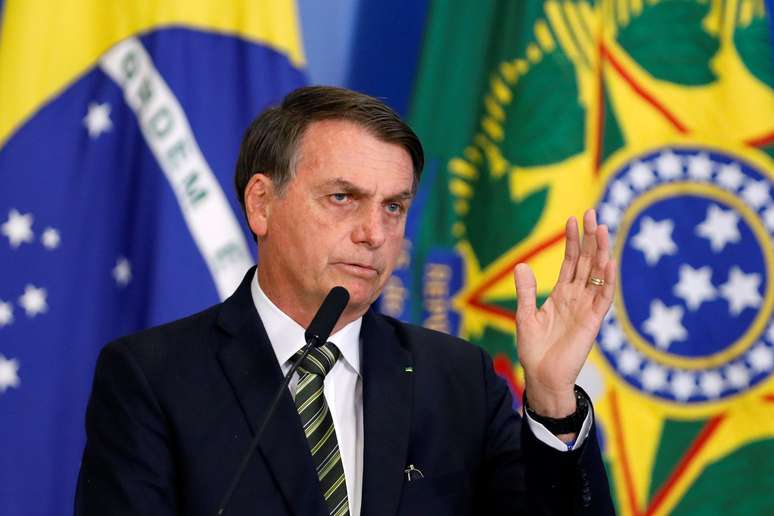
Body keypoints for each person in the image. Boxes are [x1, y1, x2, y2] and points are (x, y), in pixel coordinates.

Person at [75, 86, 617, 515]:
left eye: (394, 208)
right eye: (343, 198)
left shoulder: (457, 380)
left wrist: (551, 399)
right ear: (262, 204)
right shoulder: (153, 377)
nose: (374, 234)